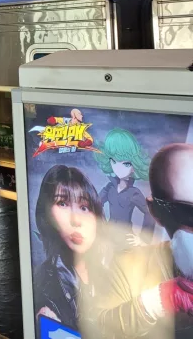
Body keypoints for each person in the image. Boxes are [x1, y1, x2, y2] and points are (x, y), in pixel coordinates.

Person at [94, 143, 193, 337]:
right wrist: (159, 301)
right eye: (187, 213)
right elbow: (99, 329)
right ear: (156, 210)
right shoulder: (129, 265)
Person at [33, 165, 105, 331]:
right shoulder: (45, 290)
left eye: (84, 207)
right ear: (47, 215)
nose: (76, 220)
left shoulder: (113, 269)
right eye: (63, 203)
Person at [94, 128, 155, 248]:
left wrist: (143, 238)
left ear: (134, 166)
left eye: (126, 164)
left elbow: (149, 213)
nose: (119, 168)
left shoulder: (134, 193)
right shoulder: (109, 188)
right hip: (108, 239)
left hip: (125, 241)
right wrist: (103, 225)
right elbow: (95, 203)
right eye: (114, 161)